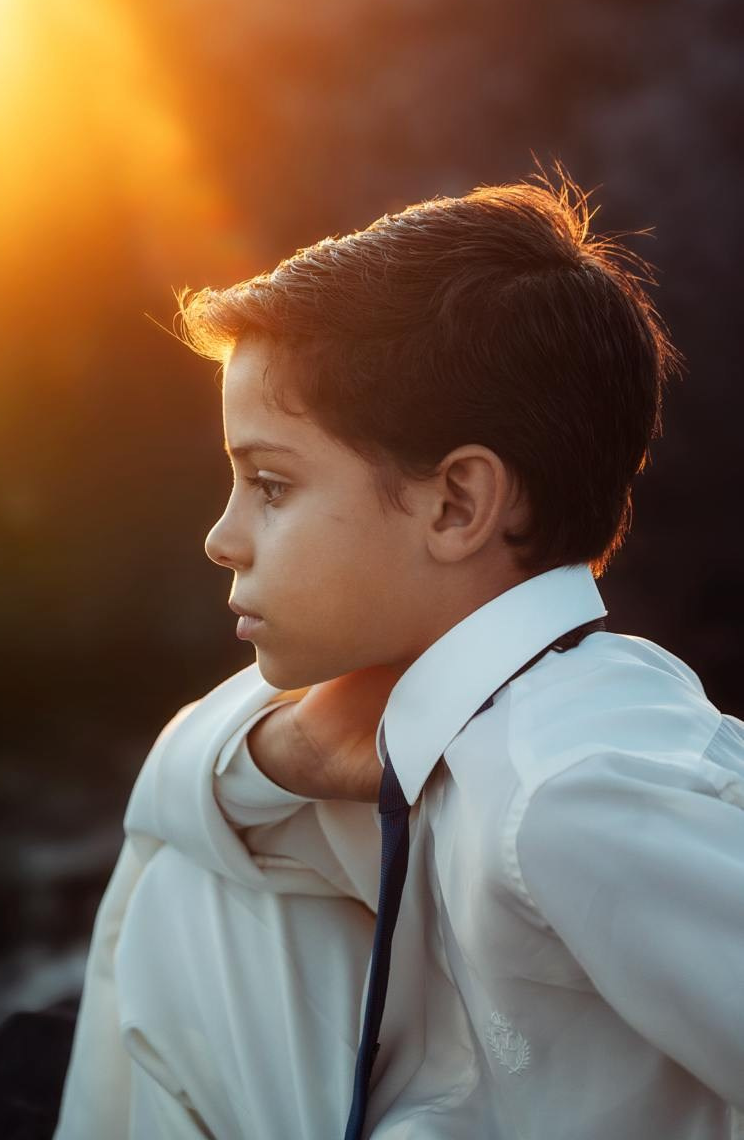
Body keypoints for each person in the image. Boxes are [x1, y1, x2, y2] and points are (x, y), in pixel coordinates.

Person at [51, 168, 744, 1139]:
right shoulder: (442, 723)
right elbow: (176, 786)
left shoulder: (574, 785)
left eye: (271, 484)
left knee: (187, 899)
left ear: (456, 504)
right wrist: (285, 744)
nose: (221, 535)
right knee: (188, 884)